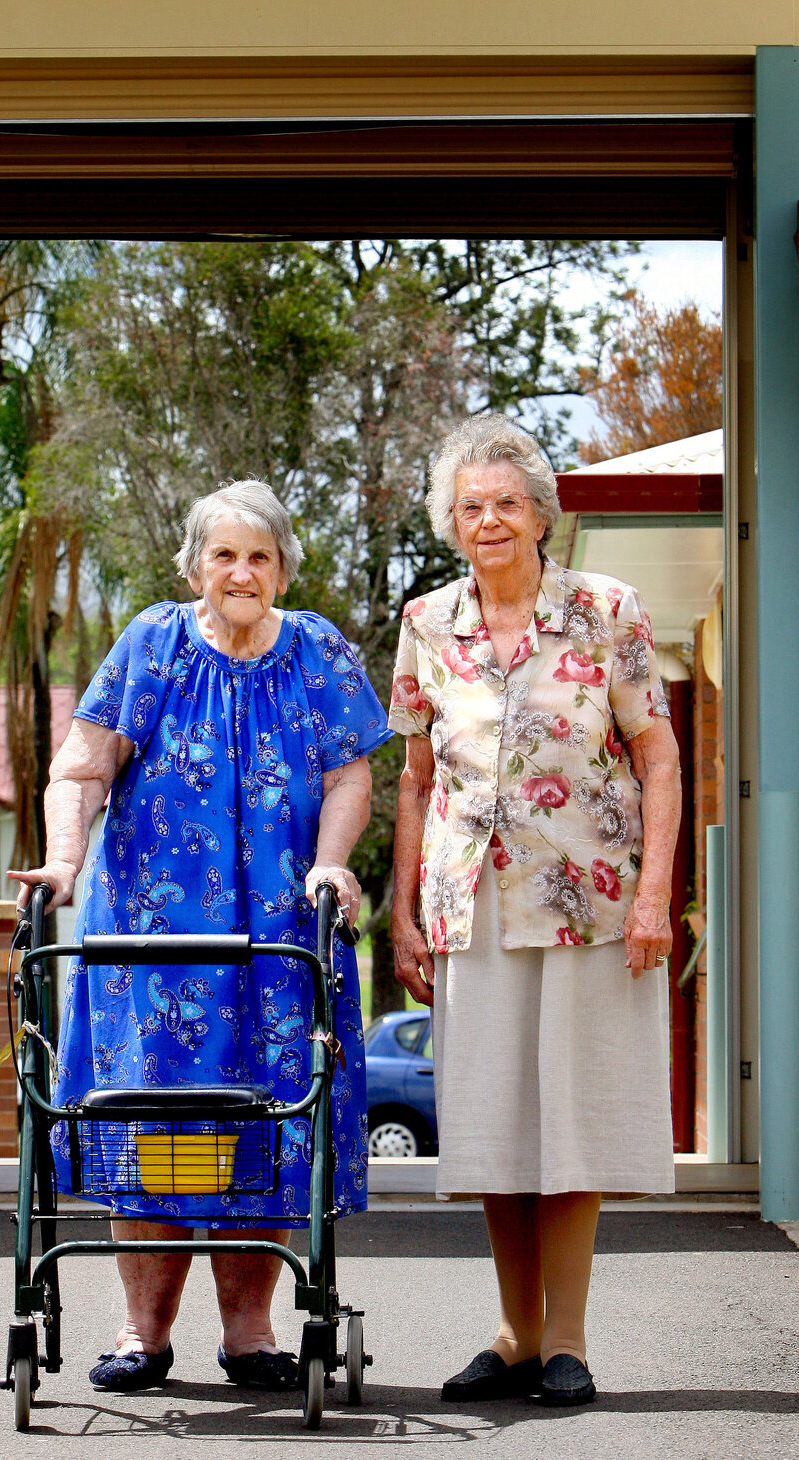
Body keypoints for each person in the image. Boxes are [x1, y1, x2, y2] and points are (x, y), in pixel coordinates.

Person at [10, 480, 391, 1395]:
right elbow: (81, 767)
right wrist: (62, 864)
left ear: (283, 569)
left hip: (280, 935)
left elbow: (351, 778)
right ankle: (143, 1332)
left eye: (259, 557)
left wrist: (332, 864)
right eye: (224, 555)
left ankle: (253, 1333)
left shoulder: (319, 654)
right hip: (152, 946)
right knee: (150, 1125)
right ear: (193, 566)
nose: (242, 572)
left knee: (267, 1121)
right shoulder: (153, 644)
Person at [388, 414, 679, 1407]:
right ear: (451, 521)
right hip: (466, 904)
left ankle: (567, 1335)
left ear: (542, 514)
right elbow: (414, 777)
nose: (490, 519)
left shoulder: (607, 609)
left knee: (572, 1121)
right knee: (492, 1126)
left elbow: (657, 755)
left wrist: (654, 894)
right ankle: (511, 1331)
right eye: (471, 505)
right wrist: (401, 911)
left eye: (507, 502)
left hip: (589, 904)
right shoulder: (426, 623)